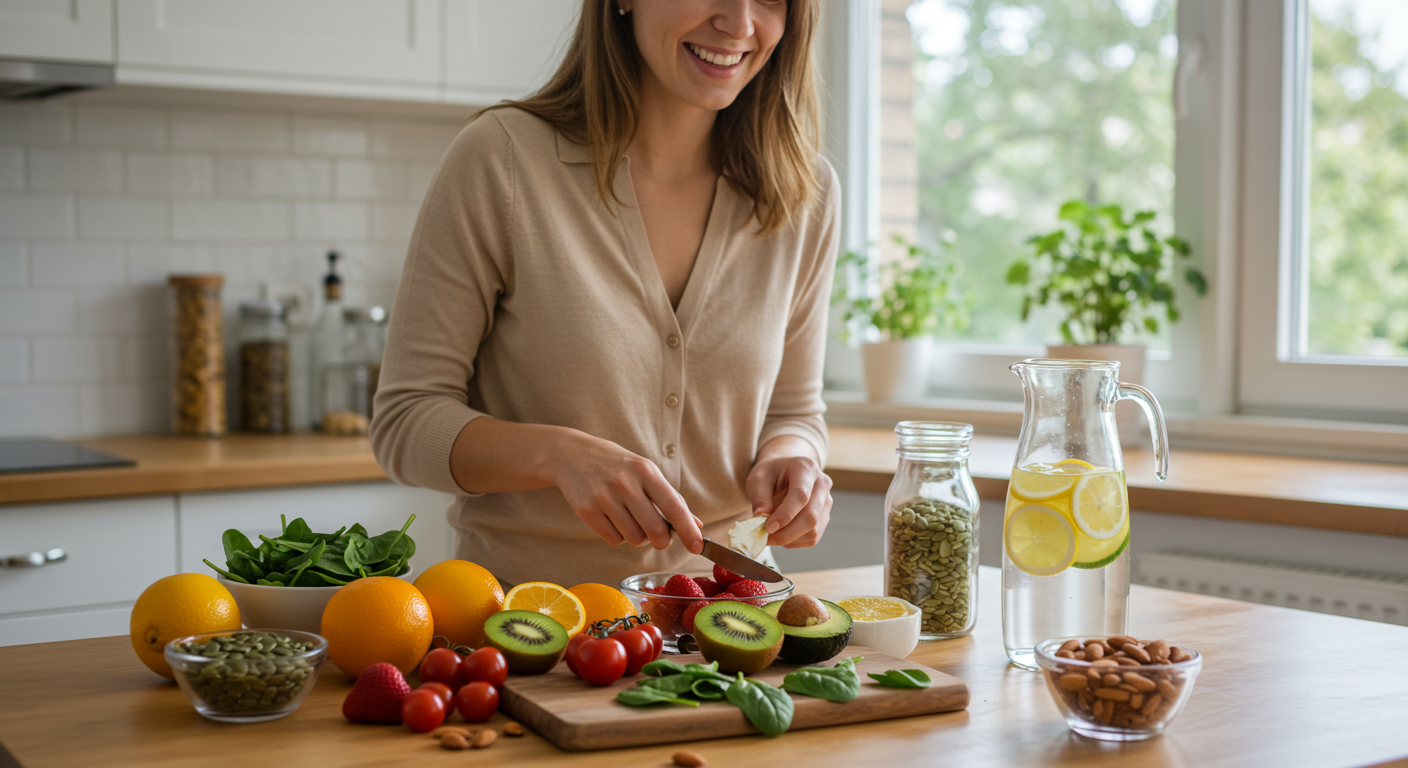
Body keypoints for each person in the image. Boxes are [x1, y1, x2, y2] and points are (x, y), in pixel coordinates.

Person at [371, 0, 839, 587]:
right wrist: (558, 456)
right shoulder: (503, 159)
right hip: (531, 618)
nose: (739, 23)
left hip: (731, 617)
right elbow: (406, 422)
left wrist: (792, 456)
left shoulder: (803, 190)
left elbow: (794, 410)